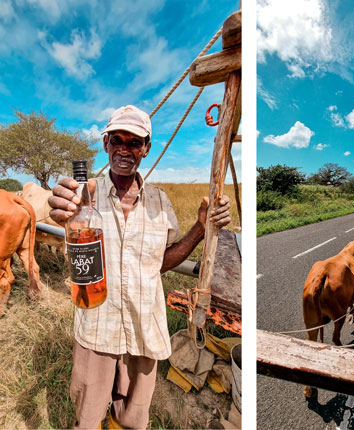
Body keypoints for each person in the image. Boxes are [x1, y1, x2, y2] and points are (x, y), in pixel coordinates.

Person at [48, 105, 232, 429]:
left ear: (146, 149)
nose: (124, 149)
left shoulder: (160, 202)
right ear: (105, 144)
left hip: (144, 329)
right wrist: (63, 209)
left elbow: (161, 262)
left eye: (133, 142)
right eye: (116, 139)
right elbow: (65, 217)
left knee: (133, 419)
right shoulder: (85, 198)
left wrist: (201, 228)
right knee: (88, 418)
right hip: (96, 329)